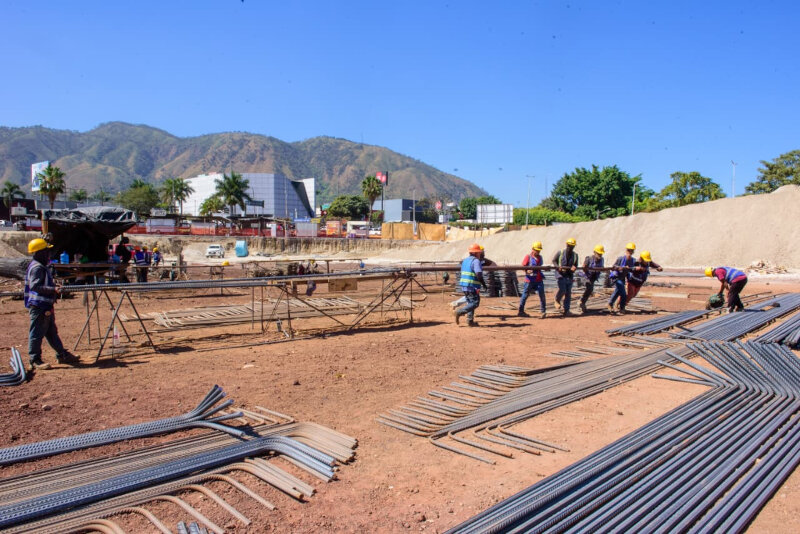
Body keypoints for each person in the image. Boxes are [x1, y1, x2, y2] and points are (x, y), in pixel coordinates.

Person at [24, 238, 79, 370]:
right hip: (39, 306)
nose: (49, 254)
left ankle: (62, 355)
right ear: (40, 253)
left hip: (45, 305)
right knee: (37, 333)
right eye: (46, 251)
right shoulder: (37, 267)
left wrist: (53, 286)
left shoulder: (40, 266)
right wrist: (53, 289)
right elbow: (35, 286)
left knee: (51, 332)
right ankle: (34, 360)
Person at [454, 243, 487, 326]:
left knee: (470, 303)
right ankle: (459, 312)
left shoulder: (465, 260)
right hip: (472, 285)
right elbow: (478, 274)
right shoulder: (476, 261)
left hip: (464, 285)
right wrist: (484, 284)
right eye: (479, 252)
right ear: (475, 253)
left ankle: (470, 321)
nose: (480, 254)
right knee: (475, 303)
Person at [518, 241, 547, 319]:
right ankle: (521, 311)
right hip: (529, 280)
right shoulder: (528, 257)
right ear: (533, 249)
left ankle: (543, 311)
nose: (538, 252)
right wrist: (526, 271)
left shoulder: (540, 258)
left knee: (542, 295)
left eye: (539, 250)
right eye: (537, 250)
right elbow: (523, 266)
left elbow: (540, 267)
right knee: (525, 295)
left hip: (538, 280)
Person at [552, 238, 579, 315]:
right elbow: (554, 260)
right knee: (563, 289)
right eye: (569, 246)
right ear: (567, 245)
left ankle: (566, 310)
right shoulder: (560, 253)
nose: (571, 248)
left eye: (572, 246)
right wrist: (558, 267)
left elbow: (575, 264)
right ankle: (557, 299)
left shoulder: (575, 255)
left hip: (569, 275)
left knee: (568, 293)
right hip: (560, 274)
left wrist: (574, 268)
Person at [609, 242, 636, 313]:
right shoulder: (620, 259)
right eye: (629, 250)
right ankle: (622, 307)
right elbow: (613, 267)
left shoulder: (633, 260)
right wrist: (620, 268)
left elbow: (632, 269)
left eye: (631, 250)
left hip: (623, 278)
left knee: (617, 292)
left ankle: (610, 304)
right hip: (617, 277)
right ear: (626, 250)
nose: (630, 252)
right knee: (623, 293)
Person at [579, 244, 605, 313]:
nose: (600, 255)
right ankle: (581, 301)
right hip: (585, 276)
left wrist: (601, 269)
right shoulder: (589, 258)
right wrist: (587, 269)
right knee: (589, 288)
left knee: (590, 290)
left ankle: (582, 302)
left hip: (593, 277)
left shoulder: (602, 259)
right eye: (598, 254)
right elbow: (584, 267)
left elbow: (602, 268)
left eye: (601, 254)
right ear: (594, 252)